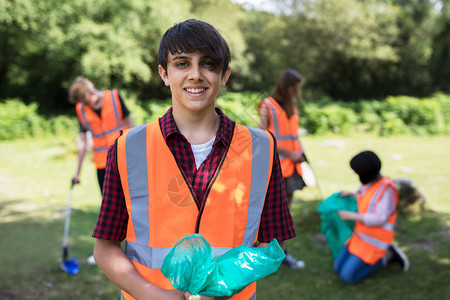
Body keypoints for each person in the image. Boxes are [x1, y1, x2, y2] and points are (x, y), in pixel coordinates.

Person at [92, 19, 296, 300]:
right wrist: (153, 294)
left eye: (209, 64)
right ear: (164, 73)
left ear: (225, 75)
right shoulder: (127, 148)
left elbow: (273, 243)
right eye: (182, 63)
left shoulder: (262, 148)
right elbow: (105, 247)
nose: (196, 74)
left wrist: (219, 287)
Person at [334, 150, 410, 284]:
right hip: (359, 237)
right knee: (337, 268)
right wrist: (353, 194)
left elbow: (380, 218)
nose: (356, 175)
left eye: (357, 172)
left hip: (375, 242)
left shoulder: (387, 190)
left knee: (347, 278)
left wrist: (351, 216)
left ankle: (387, 256)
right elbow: (369, 202)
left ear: (366, 173)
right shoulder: (369, 183)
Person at [258, 69, 306, 269]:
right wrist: (290, 152)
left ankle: (278, 253)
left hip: (293, 167)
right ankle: (275, 253)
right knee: (276, 214)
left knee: (286, 213)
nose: (297, 93)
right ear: (286, 87)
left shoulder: (292, 106)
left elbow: (293, 134)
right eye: (295, 89)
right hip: (277, 167)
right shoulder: (267, 105)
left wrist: (300, 152)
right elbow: (262, 138)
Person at [68, 76, 134, 194]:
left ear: (92, 92)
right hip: (103, 165)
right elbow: (83, 143)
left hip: (125, 159)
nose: (86, 105)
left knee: (131, 201)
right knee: (108, 206)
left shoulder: (114, 97)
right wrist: (77, 173)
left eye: (87, 101)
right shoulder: (81, 109)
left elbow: (131, 126)